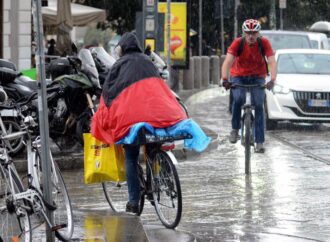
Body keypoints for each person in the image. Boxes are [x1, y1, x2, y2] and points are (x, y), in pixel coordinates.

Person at [91, 32, 188, 214]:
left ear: (122, 49)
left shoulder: (118, 65)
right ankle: (156, 180)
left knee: (131, 156)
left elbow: (109, 93)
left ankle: (134, 202)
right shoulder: (147, 61)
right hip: (156, 116)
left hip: (131, 120)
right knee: (153, 144)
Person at [221, 19, 277, 153]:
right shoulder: (238, 43)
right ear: (244, 33)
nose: (251, 36)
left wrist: (272, 79)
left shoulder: (264, 43)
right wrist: (224, 79)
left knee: (259, 105)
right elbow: (228, 62)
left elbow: (272, 62)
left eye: (254, 33)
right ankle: (235, 129)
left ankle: (259, 142)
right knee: (238, 99)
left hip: (258, 77)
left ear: (258, 33)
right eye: (248, 33)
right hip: (239, 75)